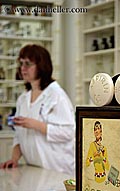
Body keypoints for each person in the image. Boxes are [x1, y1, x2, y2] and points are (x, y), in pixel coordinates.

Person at [0, 44, 75, 176]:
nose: (23, 68)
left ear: (41, 66)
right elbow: (19, 135)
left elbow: (68, 132)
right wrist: (14, 159)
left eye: (28, 64)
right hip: (35, 169)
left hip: (58, 170)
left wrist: (36, 125)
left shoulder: (56, 95)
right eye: (21, 63)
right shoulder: (23, 99)